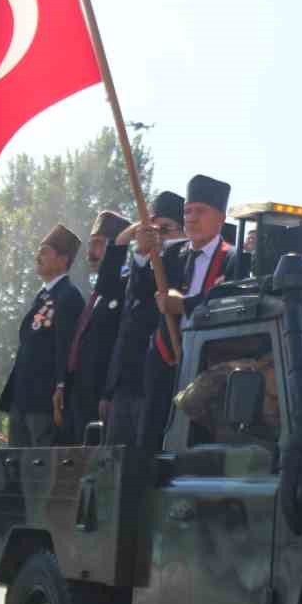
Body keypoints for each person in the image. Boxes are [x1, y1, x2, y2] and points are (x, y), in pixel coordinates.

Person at [132, 174, 244, 452]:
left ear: (220, 217)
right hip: (163, 361)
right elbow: (138, 293)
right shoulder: (170, 255)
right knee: (151, 439)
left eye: (200, 211)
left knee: (194, 446)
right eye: (187, 212)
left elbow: (227, 300)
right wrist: (142, 254)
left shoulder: (235, 259)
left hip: (206, 367)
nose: (191, 219)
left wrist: (184, 304)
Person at [102, 191, 183, 446]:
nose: (157, 235)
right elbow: (107, 286)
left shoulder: (185, 261)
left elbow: (159, 291)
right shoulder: (139, 265)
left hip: (156, 384)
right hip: (125, 381)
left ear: (182, 233)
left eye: (165, 229)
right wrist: (130, 244)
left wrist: (151, 255)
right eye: (152, 229)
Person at [0, 224, 86, 447]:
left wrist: (60, 389)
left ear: (62, 259)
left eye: (45, 251)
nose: (38, 255)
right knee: (16, 469)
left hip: (44, 402)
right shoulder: (43, 296)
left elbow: (65, 349)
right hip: (22, 398)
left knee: (39, 470)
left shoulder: (68, 296)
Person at [58, 210, 131, 443]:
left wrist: (108, 393)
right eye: (91, 244)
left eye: (99, 244)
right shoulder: (97, 293)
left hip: (100, 396)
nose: (91, 252)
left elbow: (120, 342)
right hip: (78, 393)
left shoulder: (126, 287)